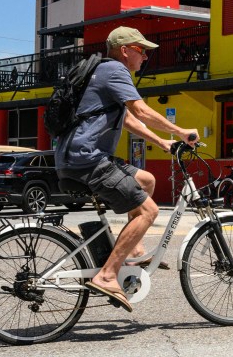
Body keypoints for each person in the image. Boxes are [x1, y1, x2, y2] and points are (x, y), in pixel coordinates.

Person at [55, 27, 199, 312]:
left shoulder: (99, 71)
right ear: (124, 50)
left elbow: (128, 119)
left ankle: (134, 249)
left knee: (146, 180)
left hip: (76, 156)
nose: (145, 57)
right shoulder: (115, 71)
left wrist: (162, 142)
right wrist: (181, 131)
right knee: (149, 212)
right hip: (87, 159)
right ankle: (107, 276)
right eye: (141, 50)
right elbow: (141, 111)